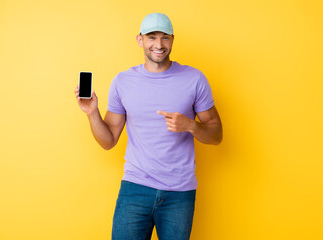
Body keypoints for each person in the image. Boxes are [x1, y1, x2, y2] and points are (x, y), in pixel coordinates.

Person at [74, 12, 222, 240]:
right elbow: (108, 141)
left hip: (179, 193)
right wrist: (92, 112)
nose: (159, 44)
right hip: (135, 188)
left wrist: (191, 125)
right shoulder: (123, 82)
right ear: (140, 40)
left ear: (172, 39)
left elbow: (216, 134)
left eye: (165, 37)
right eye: (152, 37)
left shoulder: (194, 79)